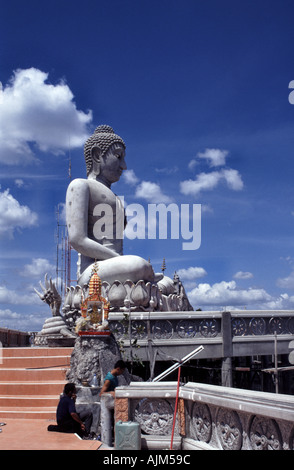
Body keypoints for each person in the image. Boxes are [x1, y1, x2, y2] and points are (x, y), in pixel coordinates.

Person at [66, 125, 162, 287]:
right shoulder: (81, 185)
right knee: (138, 265)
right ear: (97, 156)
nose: (124, 165)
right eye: (118, 157)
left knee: (165, 282)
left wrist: (120, 262)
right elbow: (77, 240)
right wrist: (119, 260)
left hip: (115, 268)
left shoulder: (116, 198)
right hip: (93, 270)